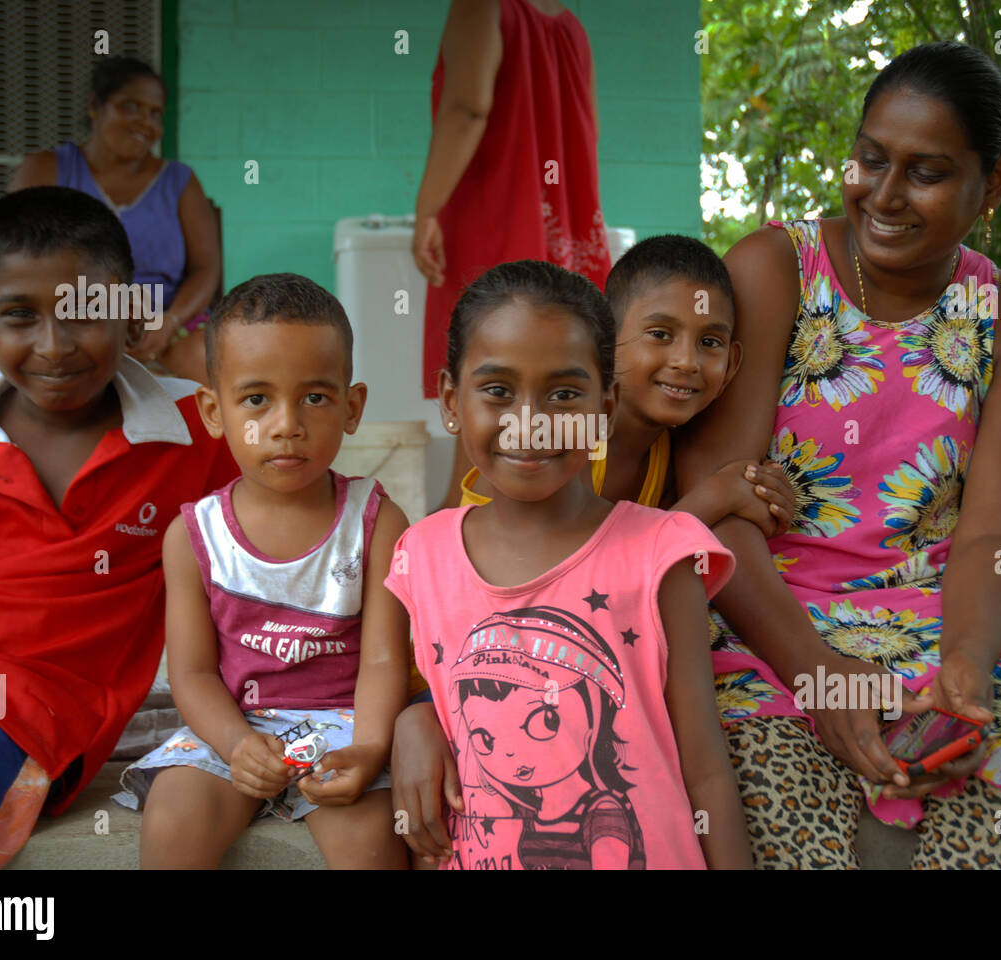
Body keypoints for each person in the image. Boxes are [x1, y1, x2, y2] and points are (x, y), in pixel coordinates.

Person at [676, 42, 1001, 868]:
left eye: (926, 172)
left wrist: (965, 670)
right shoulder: (774, 272)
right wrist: (819, 676)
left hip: (945, 621)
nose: (885, 195)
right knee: (768, 799)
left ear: (994, 184)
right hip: (765, 617)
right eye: (871, 160)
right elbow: (714, 504)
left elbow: (997, 532)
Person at [391, 236, 796, 865]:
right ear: (450, 401)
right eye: (498, 390)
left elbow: (706, 772)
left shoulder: (665, 545)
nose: (531, 421)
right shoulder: (422, 557)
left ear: (604, 404)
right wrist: (411, 720)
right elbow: (430, 687)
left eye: (563, 394)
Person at [0, 186, 239, 869]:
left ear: (133, 315)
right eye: (20, 317)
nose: (53, 346)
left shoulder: (197, 432)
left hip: (16, 721)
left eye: (85, 314)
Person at [112, 274, 411, 869]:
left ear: (352, 408)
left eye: (315, 398)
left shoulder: (376, 522)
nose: (285, 424)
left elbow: (383, 661)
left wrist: (372, 749)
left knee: (371, 844)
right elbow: (193, 673)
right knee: (174, 818)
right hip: (233, 724)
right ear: (212, 411)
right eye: (256, 399)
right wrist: (236, 744)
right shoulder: (194, 536)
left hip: (347, 727)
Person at [413, 0, 610, 507]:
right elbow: (591, 133)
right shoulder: (573, 29)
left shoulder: (479, 8)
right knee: (557, 391)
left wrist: (427, 207)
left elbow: (468, 108)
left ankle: (459, 531)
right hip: (562, 225)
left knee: (490, 380)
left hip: (496, 218)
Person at [8, 57, 220, 383]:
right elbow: (17, 259)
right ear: (96, 104)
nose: (144, 122)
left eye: (155, 113)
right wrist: (100, 317)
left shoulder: (179, 182)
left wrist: (170, 321)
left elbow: (205, 269)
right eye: (130, 106)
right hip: (71, 316)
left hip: (163, 324)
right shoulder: (46, 169)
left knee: (211, 370)